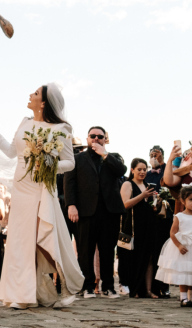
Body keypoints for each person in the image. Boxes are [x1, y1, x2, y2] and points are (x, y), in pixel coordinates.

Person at [0, 84, 84, 309]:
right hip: (21, 188)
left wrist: (49, 163)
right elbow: (12, 152)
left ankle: (67, 284)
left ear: (44, 103)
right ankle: (21, 294)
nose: (30, 94)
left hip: (42, 188)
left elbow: (70, 162)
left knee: (44, 238)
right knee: (20, 239)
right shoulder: (24, 122)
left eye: (36, 93)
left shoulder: (62, 128)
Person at [65, 126, 127, 299]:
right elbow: (69, 184)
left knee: (108, 250)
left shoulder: (112, 158)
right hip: (85, 212)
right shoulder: (76, 159)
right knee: (85, 251)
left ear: (105, 139)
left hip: (109, 212)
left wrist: (104, 154)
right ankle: (88, 287)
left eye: (100, 136)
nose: (96, 139)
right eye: (92, 136)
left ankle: (108, 287)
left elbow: (122, 172)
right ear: (87, 138)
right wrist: (71, 205)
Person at [156, 185, 192, 308]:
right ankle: (183, 298)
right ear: (183, 201)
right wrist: (179, 245)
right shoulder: (179, 216)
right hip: (184, 249)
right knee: (183, 272)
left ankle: (191, 299)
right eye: (190, 200)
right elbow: (172, 233)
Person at [118, 158, 159, 298]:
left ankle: (147, 290)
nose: (142, 172)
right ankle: (134, 289)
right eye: (139, 169)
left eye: (144, 169)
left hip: (148, 225)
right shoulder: (127, 184)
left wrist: (157, 202)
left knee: (149, 257)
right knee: (134, 257)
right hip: (133, 227)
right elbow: (125, 204)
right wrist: (142, 195)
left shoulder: (148, 185)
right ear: (132, 170)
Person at [148, 145, 172, 299]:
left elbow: (171, 181)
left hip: (166, 216)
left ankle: (165, 286)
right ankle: (153, 287)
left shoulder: (166, 170)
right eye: (151, 154)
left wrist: (164, 163)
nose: (154, 156)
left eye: (157, 154)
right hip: (151, 217)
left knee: (166, 251)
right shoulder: (147, 174)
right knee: (153, 252)